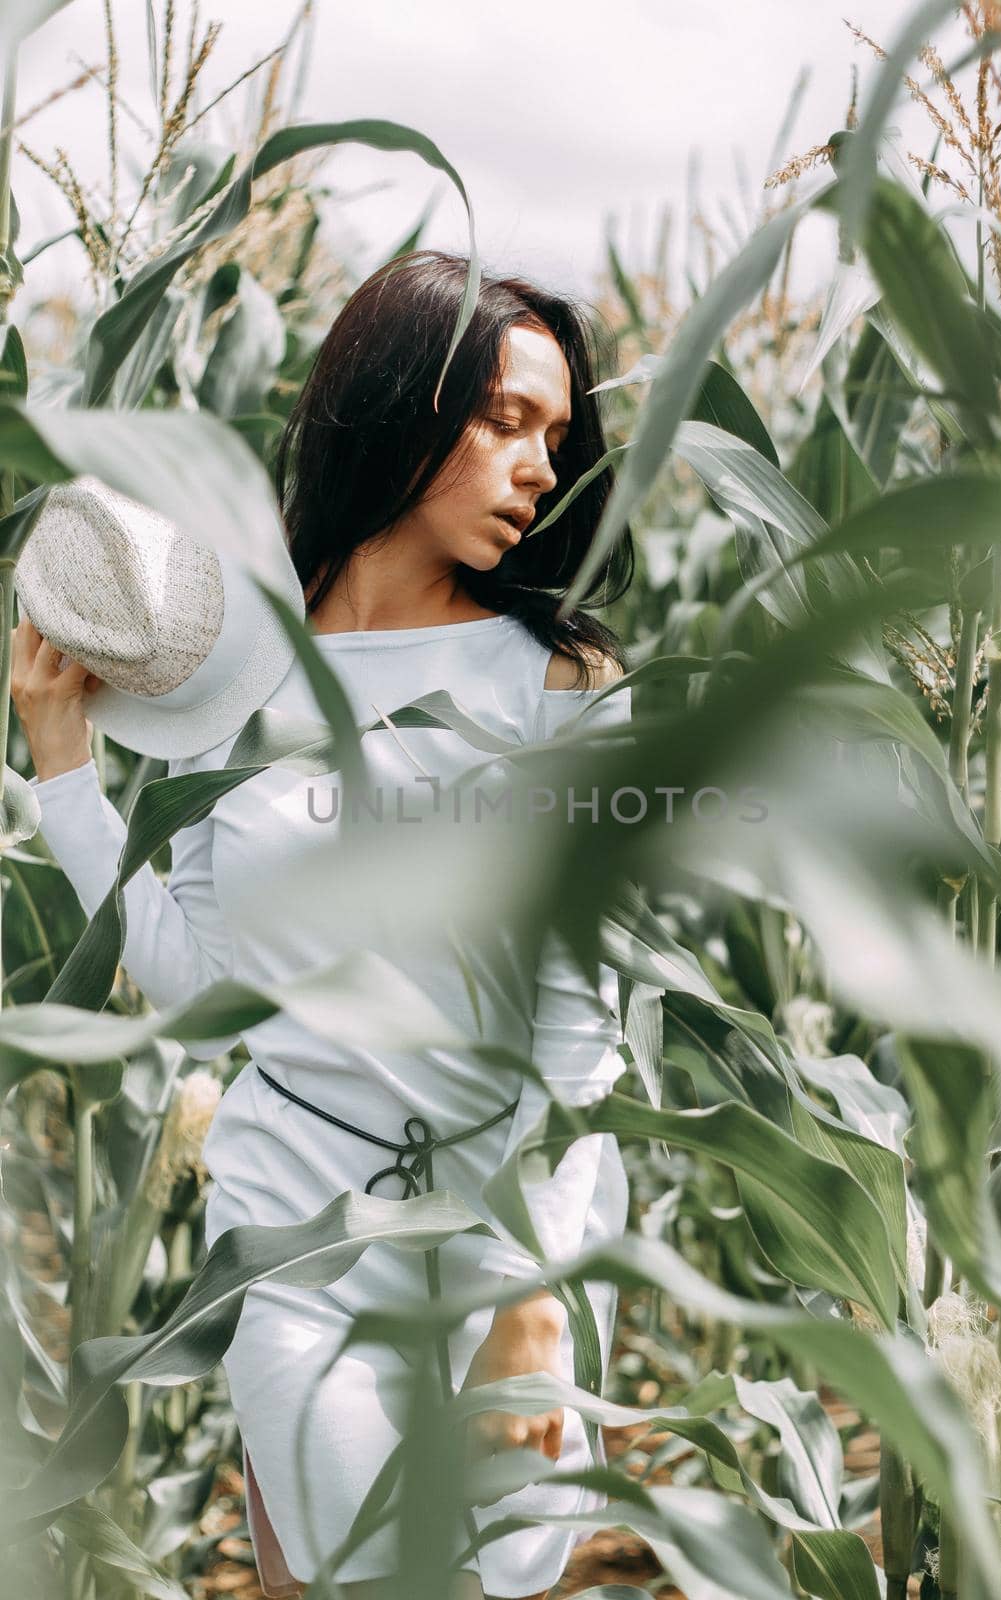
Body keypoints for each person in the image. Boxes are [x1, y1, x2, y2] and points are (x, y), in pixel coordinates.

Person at [11, 249, 636, 1600]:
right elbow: (198, 983)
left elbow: (584, 1027)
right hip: (289, 1240)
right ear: (400, 402)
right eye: (505, 420)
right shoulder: (234, 681)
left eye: (557, 436)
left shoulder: (560, 689)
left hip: (492, 1250)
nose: (540, 468)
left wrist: (528, 1297)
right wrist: (64, 771)